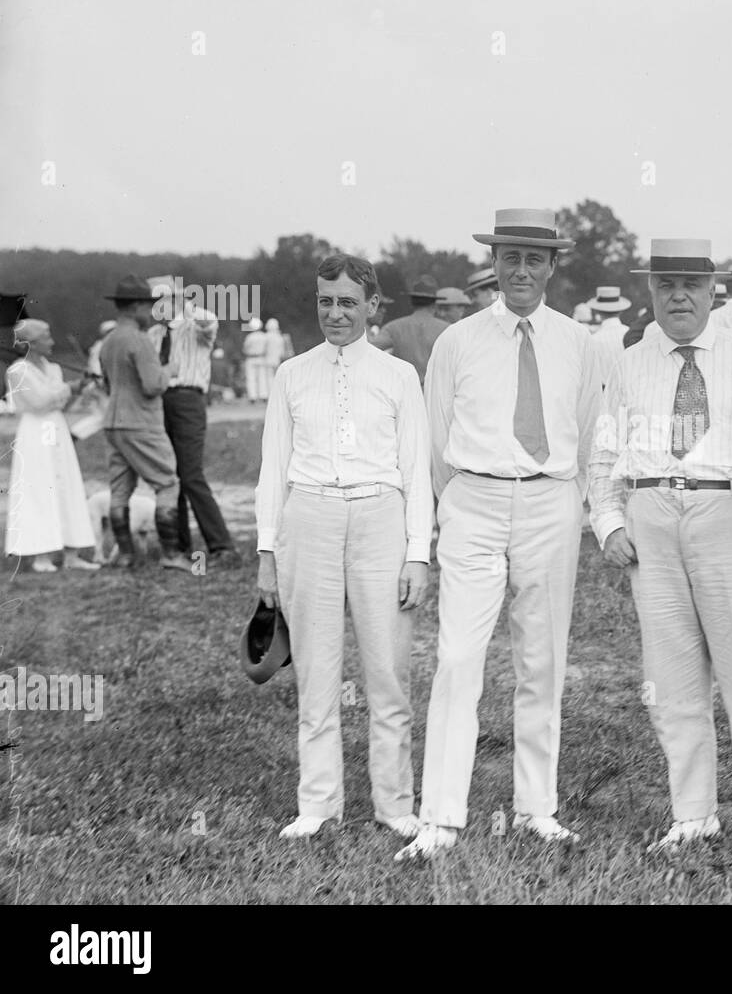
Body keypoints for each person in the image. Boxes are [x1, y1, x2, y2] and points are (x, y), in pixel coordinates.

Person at [398, 208, 601, 860]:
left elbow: (593, 431)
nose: (519, 270)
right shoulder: (457, 341)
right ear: (494, 263)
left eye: (533, 259)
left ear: (551, 266)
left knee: (542, 659)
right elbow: (433, 436)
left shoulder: (578, 342)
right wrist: (455, 498)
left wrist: (576, 501)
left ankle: (536, 807)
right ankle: (441, 818)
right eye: (508, 256)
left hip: (551, 500)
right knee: (459, 655)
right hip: (475, 500)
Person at [590, 239, 732, 864]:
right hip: (652, 519)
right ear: (649, 293)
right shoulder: (631, 362)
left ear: (714, 292)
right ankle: (693, 814)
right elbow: (602, 454)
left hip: (729, 515)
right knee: (673, 680)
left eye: (690, 284)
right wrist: (607, 522)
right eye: (664, 285)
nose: (677, 296)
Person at [254, 253, 432, 841]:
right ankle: (318, 804)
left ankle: (395, 805)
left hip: (381, 516)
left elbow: (417, 472)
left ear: (372, 306)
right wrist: (266, 553)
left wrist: (416, 553)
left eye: (347, 302)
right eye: (326, 301)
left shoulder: (399, 376)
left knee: (387, 672)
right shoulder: (290, 374)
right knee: (316, 671)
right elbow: (272, 468)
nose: (335, 312)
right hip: (309, 517)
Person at [97, 275, 189, 571]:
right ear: (135, 306)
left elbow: (109, 384)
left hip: (112, 422)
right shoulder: (140, 340)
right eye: (147, 305)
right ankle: (172, 554)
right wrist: (169, 370)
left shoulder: (108, 341)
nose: (151, 312)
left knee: (120, 490)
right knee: (167, 483)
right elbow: (152, 385)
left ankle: (126, 555)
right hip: (141, 422)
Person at [146, 277, 240, 566]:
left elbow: (207, 320)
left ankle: (222, 546)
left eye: (165, 299)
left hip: (188, 399)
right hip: (160, 401)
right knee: (170, 477)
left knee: (190, 474)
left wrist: (181, 300)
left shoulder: (196, 324)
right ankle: (179, 547)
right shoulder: (152, 334)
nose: (159, 306)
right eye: (155, 301)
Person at [3, 319, 99, 572]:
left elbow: (60, 403)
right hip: (35, 432)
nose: (52, 342)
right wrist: (71, 388)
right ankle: (41, 555)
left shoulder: (54, 369)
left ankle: (72, 553)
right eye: (46, 337)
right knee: (38, 487)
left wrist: (81, 390)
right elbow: (40, 401)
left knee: (66, 484)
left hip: (56, 430)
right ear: (32, 344)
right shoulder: (17, 371)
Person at [372, 275, 449, 383]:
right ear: (434, 304)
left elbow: (368, 348)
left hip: (403, 392)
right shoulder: (448, 330)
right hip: (436, 393)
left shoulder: (393, 328)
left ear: (412, 302)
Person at [585, 285, 630, 387]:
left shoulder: (593, 340)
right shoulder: (629, 334)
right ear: (621, 310)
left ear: (596, 310)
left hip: (604, 395)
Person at [242, 318, 269, 401]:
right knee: (262, 377)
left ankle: (252, 397)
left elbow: (245, 349)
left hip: (251, 358)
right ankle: (263, 395)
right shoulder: (265, 336)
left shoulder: (250, 337)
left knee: (251, 378)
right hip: (261, 358)